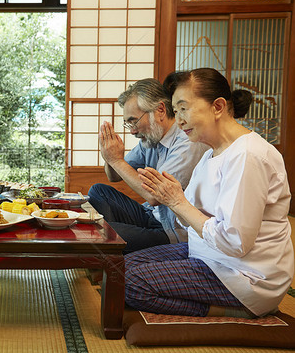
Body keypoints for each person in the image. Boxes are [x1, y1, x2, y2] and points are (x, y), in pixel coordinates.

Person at [126, 68, 294, 318]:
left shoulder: (248, 156)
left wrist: (177, 201)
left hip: (244, 273)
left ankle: (238, 310)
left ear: (217, 107)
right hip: (205, 254)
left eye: (184, 108)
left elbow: (235, 243)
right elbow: (187, 218)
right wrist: (173, 200)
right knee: (120, 269)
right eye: (176, 110)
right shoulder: (209, 154)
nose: (179, 119)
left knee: (131, 284)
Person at [88, 78, 208, 253]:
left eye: (134, 121)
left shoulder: (186, 142)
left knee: (103, 233)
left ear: (160, 110)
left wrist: (116, 160)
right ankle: (119, 248)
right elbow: (114, 176)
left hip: (171, 231)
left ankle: (119, 249)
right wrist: (108, 154)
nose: (132, 131)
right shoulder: (151, 139)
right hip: (152, 215)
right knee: (98, 191)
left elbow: (156, 197)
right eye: (128, 123)